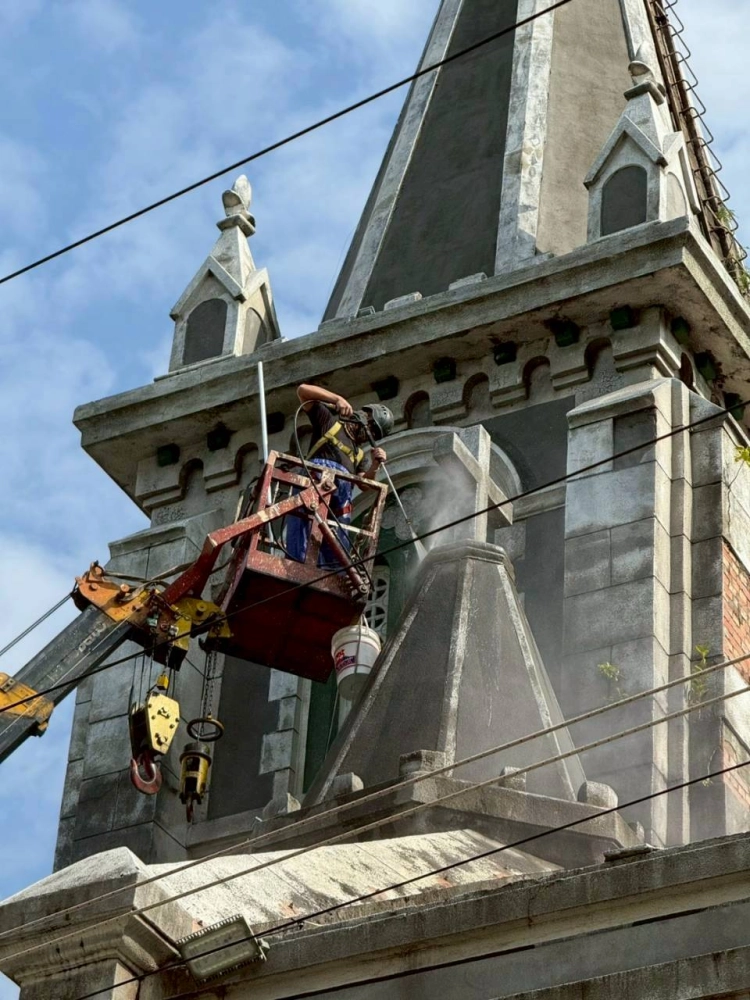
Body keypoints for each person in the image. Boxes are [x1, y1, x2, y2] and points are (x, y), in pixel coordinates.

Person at [286, 383, 394, 566]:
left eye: (375, 434)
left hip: (340, 498)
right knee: (303, 526)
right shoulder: (329, 422)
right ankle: (296, 564)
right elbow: (302, 391)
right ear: (364, 418)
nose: (370, 434)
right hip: (316, 483)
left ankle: (330, 573)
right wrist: (336, 399)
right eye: (372, 428)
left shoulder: (358, 454)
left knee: (337, 541)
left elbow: (364, 484)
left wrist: (375, 464)